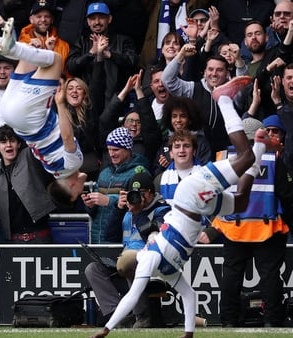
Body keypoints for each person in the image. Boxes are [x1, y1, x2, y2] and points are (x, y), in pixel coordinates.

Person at [91, 75, 277, 338]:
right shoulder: (166, 271)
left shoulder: (149, 260)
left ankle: (223, 99)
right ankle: (259, 145)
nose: (135, 272)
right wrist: (188, 333)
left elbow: (131, 297)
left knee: (243, 157)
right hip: (198, 207)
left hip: (192, 196)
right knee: (241, 201)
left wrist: (106, 330)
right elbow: (189, 295)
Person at [0, 6, 88, 205]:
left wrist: (60, 104)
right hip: (12, 117)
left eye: (78, 193)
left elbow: (67, 136)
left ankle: (7, 46)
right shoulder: (52, 169)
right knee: (31, 56)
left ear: (72, 188)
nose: (82, 189)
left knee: (57, 60)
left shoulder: (73, 164)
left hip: (31, 119)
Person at [210, 114, 292, 327]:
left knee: (231, 276)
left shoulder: (222, 158)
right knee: (270, 277)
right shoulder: (273, 160)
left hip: (233, 229)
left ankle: (228, 321)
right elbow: (288, 196)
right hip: (267, 230)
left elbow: (212, 194)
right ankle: (272, 321)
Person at [86, 172, 170, 328]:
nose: (137, 197)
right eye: (134, 194)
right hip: (125, 267)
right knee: (93, 269)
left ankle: (142, 317)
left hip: (152, 271)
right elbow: (110, 236)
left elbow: (154, 238)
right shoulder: (127, 210)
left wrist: (138, 213)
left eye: (142, 193)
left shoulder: (162, 210)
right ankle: (118, 316)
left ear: (151, 193)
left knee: (132, 262)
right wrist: (119, 209)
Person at [0, 125, 56, 243]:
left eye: (12, 141)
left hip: (39, 235)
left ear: (19, 144)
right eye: (3, 142)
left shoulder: (28, 156)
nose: (8, 145)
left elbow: (38, 142)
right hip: (12, 239)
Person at [65, 2, 137, 115]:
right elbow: (70, 66)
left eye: (101, 18)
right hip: (87, 102)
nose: (97, 22)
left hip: (116, 100)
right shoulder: (82, 41)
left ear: (109, 19)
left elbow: (132, 63)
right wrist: (91, 53)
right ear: (88, 22)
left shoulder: (123, 41)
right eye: (93, 18)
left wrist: (109, 54)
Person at [83, 127, 150, 244]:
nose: (111, 154)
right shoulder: (104, 173)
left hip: (123, 240)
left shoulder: (139, 172)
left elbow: (140, 203)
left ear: (128, 149)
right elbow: (93, 212)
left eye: (115, 149)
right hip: (97, 239)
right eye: (109, 149)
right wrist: (90, 205)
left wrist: (109, 201)